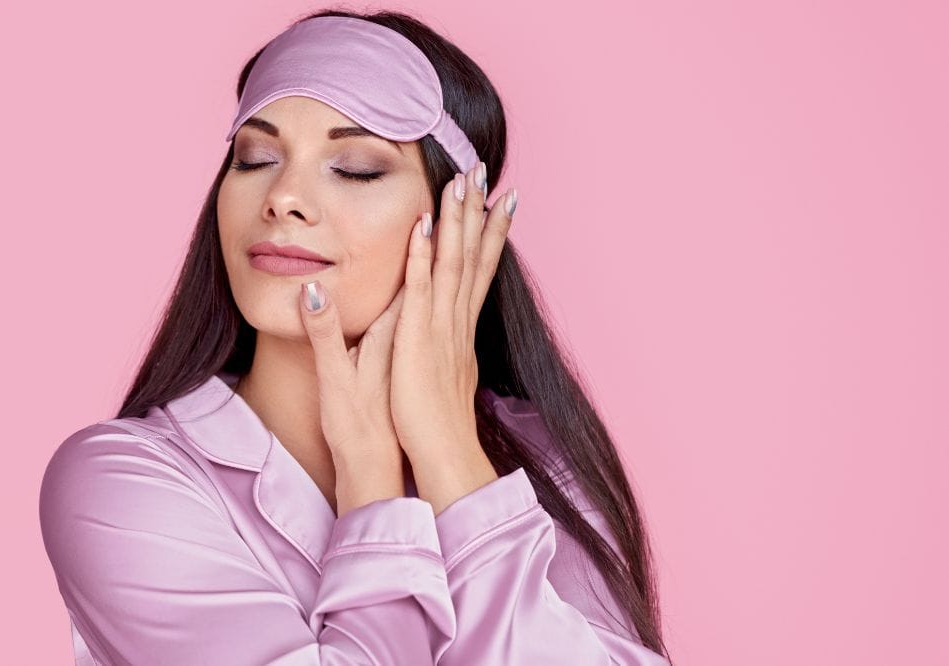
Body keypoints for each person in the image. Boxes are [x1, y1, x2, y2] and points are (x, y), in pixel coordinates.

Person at [39, 9, 672, 665]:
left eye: (357, 168)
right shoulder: (123, 482)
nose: (282, 196)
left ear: (458, 225)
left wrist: (450, 449)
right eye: (254, 158)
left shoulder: (539, 458)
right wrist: (368, 485)